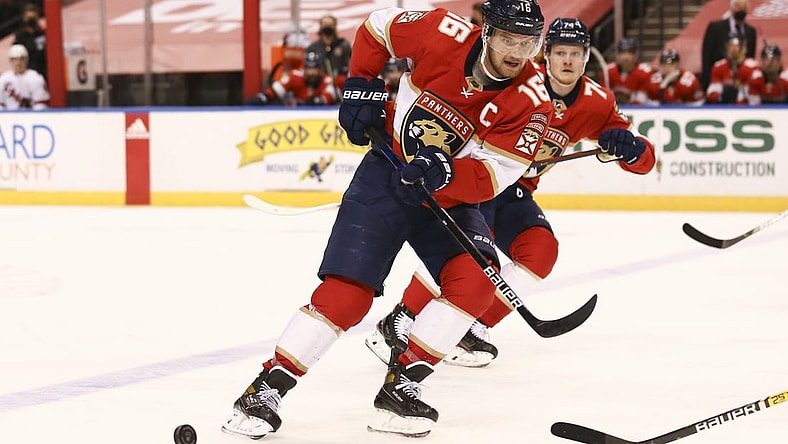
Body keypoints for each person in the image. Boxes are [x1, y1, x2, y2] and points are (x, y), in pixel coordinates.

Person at [221, 0, 551, 439]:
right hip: (388, 172)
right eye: (510, 38)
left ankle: (400, 390)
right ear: (487, 31)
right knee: (347, 296)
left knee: (476, 282)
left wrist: (445, 171)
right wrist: (360, 83)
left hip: (447, 196)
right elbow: (377, 28)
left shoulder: (533, 101)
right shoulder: (442, 30)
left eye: (529, 43)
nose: (518, 51)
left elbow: (494, 175)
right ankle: (264, 392)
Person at [366, 18, 656, 368]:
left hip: (515, 191)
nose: (567, 61)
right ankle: (400, 318)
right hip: (477, 180)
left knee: (541, 251)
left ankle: (473, 325)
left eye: (575, 54)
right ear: (544, 55)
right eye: (560, 52)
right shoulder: (517, 81)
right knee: (468, 252)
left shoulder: (597, 102)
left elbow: (643, 161)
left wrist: (630, 147)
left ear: (586, 59)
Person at [244, 51, 338, 106]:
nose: (312, 73)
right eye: (309, 69)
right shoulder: (295, 77)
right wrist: (262, 98)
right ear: (304, 69)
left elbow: (327, 98)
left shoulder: (327, 80)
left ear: (321, 70)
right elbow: (273, 92)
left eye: (315, 69)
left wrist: (314, 101)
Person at [701, 0, 756, 90]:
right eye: (738, 6)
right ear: (731, 8)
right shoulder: (715, 28)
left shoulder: (751, 31)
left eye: (744, 7)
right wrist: (707, 82)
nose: (741, 10)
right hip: (719, 81)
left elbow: (751, 58)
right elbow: (706, 56)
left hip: (743, 85)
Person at [306, 15, 352, 95]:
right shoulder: (313, 47)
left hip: (340, 84)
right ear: (320, 26)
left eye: (330, 25)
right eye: (325, 24)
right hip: (319, 85)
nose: (327, 27)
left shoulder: (343, 45)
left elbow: (349, 65)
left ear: (334, 27)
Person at [706, 33, 757, 104]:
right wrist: (722, 97)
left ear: (744, 48)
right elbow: (712, 94)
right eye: (730, 45)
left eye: (737, 45)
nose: (733, 49)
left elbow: (754, 96)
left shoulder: (752, 67)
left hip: (746, 108)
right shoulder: (719, 67)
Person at [0, 44, 50, 110]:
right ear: (10, 61)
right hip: (9, 117)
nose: (18, 63)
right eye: (15, 59)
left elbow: (42, 104)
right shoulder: (4, 79)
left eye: (22, 59)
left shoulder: (35, 77)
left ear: (27, 60)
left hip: (32, 117)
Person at [605, 37, 652, 105]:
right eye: (623, 53)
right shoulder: (608, 71)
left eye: (630, 53)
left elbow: (642, 100)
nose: (626, 57)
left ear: (635, 55)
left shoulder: (644, 72)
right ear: (618, 54)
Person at [12, 2, 47, 82]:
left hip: (43, 71)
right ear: (24, 18)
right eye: (29, 18)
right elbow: (15, 53)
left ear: (38, 18)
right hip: (26, 75)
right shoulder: (20, 36)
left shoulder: (43, 34)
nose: (31, 21)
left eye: (33, 18)